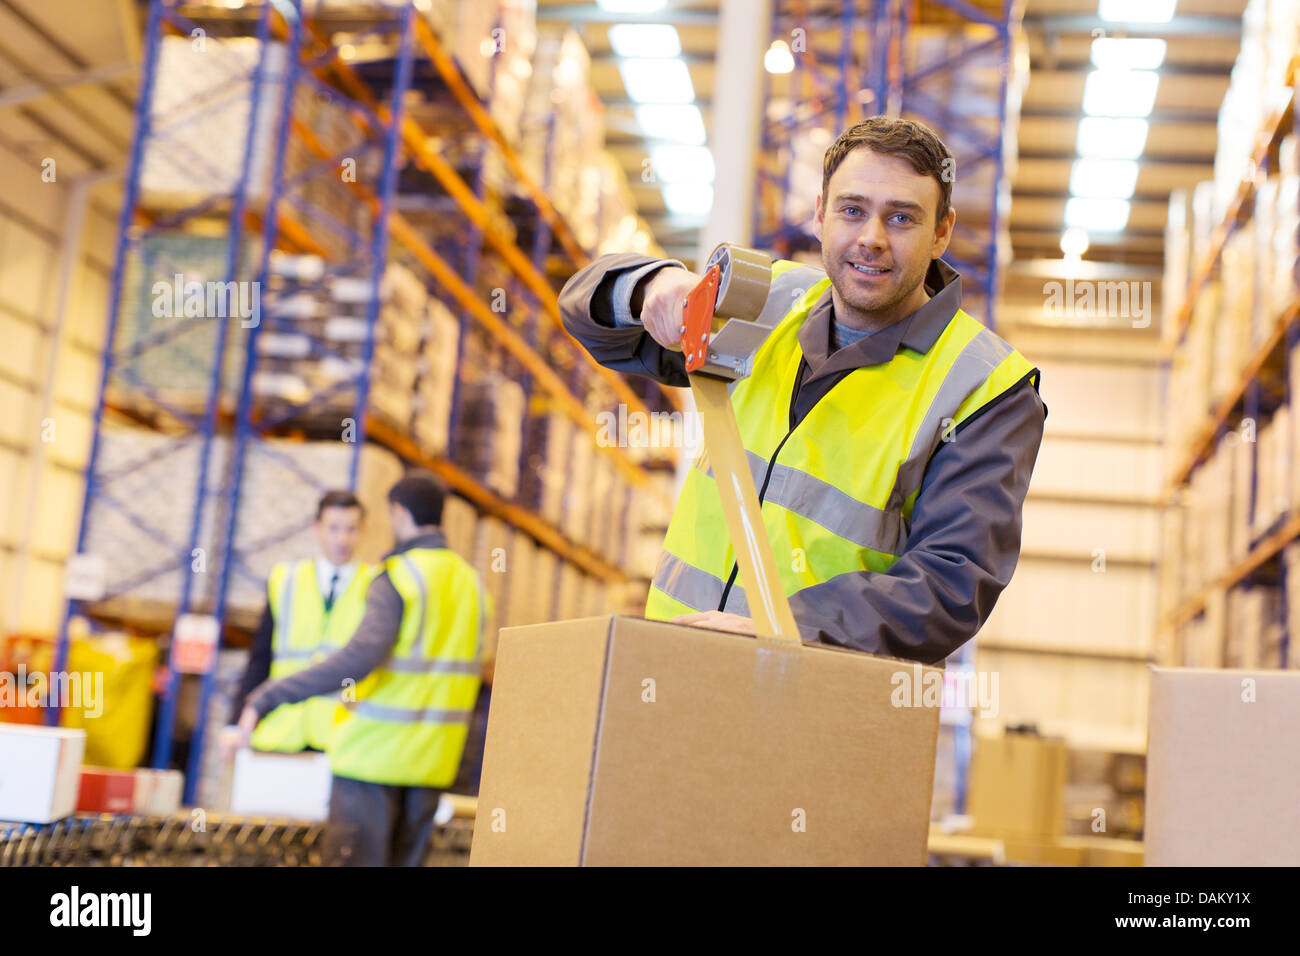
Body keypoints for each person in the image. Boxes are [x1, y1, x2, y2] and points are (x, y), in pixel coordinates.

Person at [559, 116, 1047, 665]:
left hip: (810, 698)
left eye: (902, 217)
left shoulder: (985, 387)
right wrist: (648, 285)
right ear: (820, 213)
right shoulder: (763, 302)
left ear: (941, 232)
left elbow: (952, 581)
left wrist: (782, 628)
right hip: (669, 665)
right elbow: (586, 315)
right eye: (852, 209)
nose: (871, 238)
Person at [235, 471, 488, 866]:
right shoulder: (471, 584)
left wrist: (269, 696)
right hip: (432, 765)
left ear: (398, 512)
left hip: (372, 761)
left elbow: (357, 660)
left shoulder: (399, 577)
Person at [229, 490, 374, 754]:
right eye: (333, 528)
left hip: (341, 738)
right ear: (316, 529)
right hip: (282, 730)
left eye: (351, 529)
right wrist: (235, 723)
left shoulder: (376, 586)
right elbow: (260, 658)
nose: (342, 538)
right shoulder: (286, 580)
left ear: (363, 530)